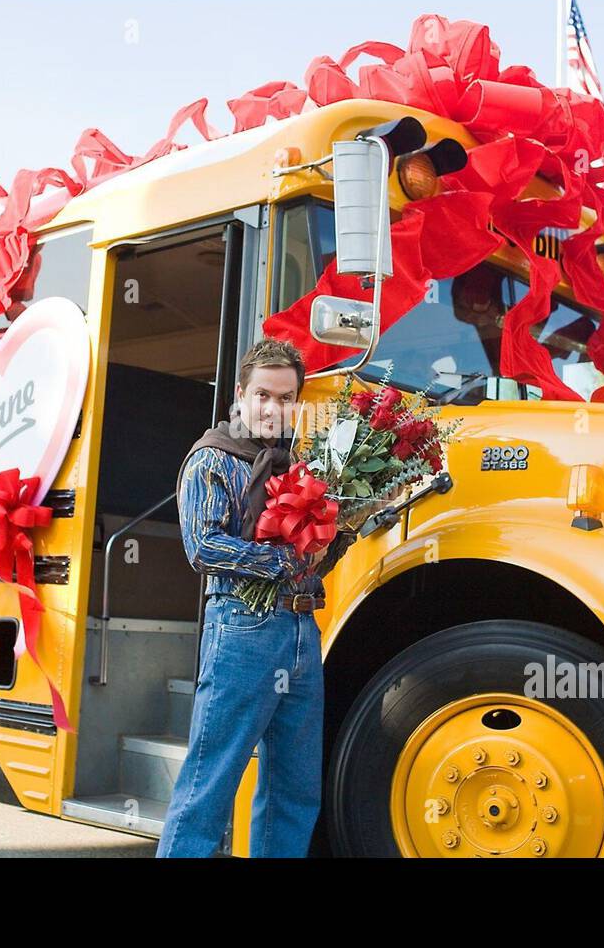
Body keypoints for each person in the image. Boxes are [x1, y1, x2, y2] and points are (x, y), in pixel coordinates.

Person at [155, 337, 358, 858]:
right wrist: (283, 560)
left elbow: (311, 557)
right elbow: (203, 546)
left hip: (300, 631)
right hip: (242, 630)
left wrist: (337, 536)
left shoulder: (300, 466)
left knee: (295, 790)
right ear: (241, 395)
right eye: (264, 395)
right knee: (210, 783)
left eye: (287, 398)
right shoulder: (212, 460)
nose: (274, 408)